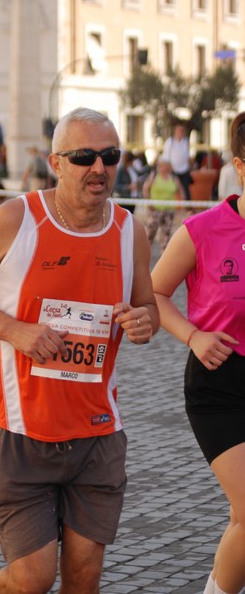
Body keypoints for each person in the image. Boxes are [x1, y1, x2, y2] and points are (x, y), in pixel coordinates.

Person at [0, 107, 159, 594]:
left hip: (97, 435)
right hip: (20, 433)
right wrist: (15, 331)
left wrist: (146, 323)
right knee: (32, 578)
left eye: (110, 156)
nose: (99, 168)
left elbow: (148, 309)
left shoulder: (129, 233)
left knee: (84, 579)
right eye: (84, 157)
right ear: (56, 163)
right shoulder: (15, 219)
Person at [151, 111, 245, 594]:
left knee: (242, 516)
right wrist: (193, 335)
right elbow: (153, 295)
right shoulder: (202, 230)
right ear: (240, 167)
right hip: (220, 384)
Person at [142, 156, 184, 254]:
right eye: (162, 166)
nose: (164, 168)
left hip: (168, 210)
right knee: (150, 234)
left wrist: (182, 205)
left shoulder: (173, 178)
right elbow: (145, 188)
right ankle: (143, 254)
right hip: (155, 210)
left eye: (166, 166)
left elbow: (181, 190)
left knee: (166, 235)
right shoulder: (154, 176)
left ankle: (164, 258)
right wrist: (148, 202)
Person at [163, 122, 192, 201]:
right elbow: (166, 156)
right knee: (173, 188)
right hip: (173, 169)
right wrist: (170, 168)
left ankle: (187, 207)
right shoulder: (170, 142)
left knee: (186, 188)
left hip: (184, 169)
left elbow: (187, 155)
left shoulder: (185, 141)